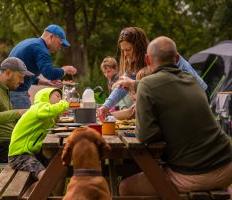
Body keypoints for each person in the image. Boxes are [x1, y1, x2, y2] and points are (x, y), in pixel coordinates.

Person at [118, 36, 232, 196]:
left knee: (125, 188)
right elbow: (166, 84)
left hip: (194, 174)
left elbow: (146, 136)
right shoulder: (192, 79)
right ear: (177, 58)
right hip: (227, 164)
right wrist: (135, 84)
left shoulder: (147, 85)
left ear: (147, 59)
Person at [98, 27, 208, 121]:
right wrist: (106, 106)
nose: (126, 54)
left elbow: (163, 84)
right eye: (123, 50)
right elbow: (123, 86)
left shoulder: (158, 55)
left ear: (138, 46)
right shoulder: (133, 62)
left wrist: (133, 83)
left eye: (129, 49)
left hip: (196, 94)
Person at [8, 87, 69, 191]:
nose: (60, 99)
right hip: (19, 155)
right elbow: (50, 110)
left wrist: (55, 119)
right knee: (45, 176)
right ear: (46, 97)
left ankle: (53, 193)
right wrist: (65, 103)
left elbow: (48, 124)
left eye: (61, 97)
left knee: (58, 168)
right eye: (57, 96)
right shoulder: (38, 107)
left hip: (31, 153)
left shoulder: (42, 112)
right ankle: (34, 193)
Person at [0, 57, 33, 163]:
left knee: (40, 147)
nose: (22, 81)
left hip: (6, 144)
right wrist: (18, 113)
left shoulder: (2, 90)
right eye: (20, 77)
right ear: (8, 73)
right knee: (38, 154)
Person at [9, 24, 77, 109]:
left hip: (10, 91)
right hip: (17, 93)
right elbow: (49, 73)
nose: (59, 48)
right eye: (60, 43)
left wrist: (46, 83)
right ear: (52, 37)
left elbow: (25, 74)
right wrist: (65, 69)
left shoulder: (31, 43)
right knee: (26, 121)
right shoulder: (41, 49)